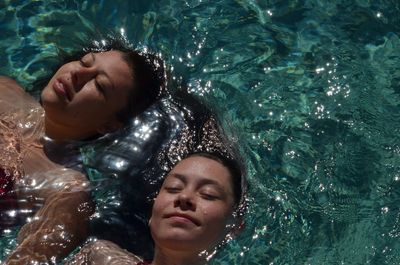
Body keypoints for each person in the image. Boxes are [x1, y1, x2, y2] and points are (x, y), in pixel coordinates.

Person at [1, 37, 165, 264]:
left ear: (109, 124)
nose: (78, 74)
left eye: (99, 85)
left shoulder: (66, 192)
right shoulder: (4, 90)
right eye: (85, 62)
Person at [67, 151, 246, 265]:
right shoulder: (98, 258)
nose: (184, 197)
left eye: (208, 194)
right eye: (173, 188)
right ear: (153, 211)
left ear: (234, 227)